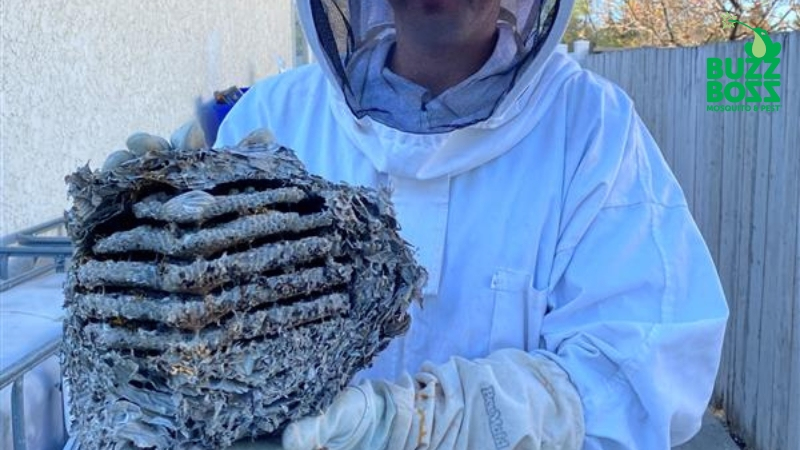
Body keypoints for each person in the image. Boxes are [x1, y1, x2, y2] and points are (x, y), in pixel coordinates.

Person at [216, 0, 729, 448]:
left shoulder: (594, 129)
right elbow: (205, 346)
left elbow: (642, 373)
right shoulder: (275, 118)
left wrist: (428, 425)